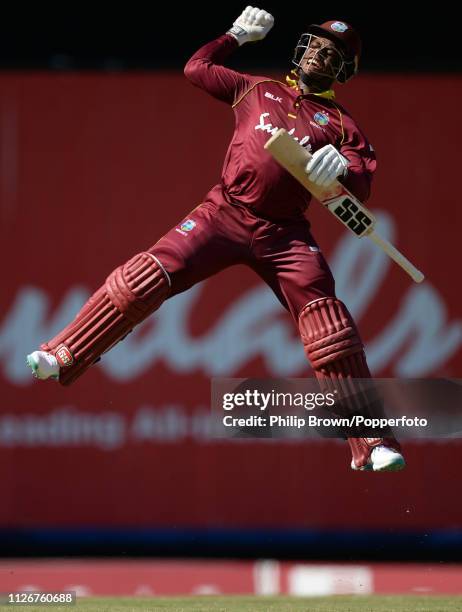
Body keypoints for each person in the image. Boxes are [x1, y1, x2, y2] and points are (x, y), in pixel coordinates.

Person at [26, 6, 405, 472]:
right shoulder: (257, 89)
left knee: (329, 325)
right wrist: (235, 36)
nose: (321, 56)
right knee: (145, 278)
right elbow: (196, 69)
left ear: (344, 70)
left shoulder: (343, 124)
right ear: (302, 49)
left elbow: (363, 184)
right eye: (318, 46)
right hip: (223, 213)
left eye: (334, 54)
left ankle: (370, 441)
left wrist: (344, 168)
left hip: (284, 234)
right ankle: (65, 353)